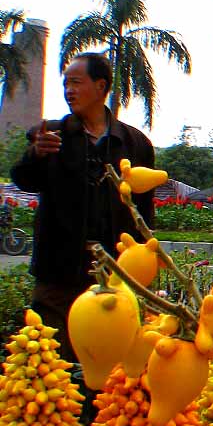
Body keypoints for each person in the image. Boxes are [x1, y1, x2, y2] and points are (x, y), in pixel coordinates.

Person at [11, 52, 155, 353]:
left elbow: (144, 212)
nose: (69, 91)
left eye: (76, 82)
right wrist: (36, 154)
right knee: (49, 355)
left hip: (114, 272)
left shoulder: (134, 143)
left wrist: (144, 265)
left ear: (101, 86)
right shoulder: (52, 136)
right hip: (59, 272)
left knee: (109, 357)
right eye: (65, 84)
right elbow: (24, 179)